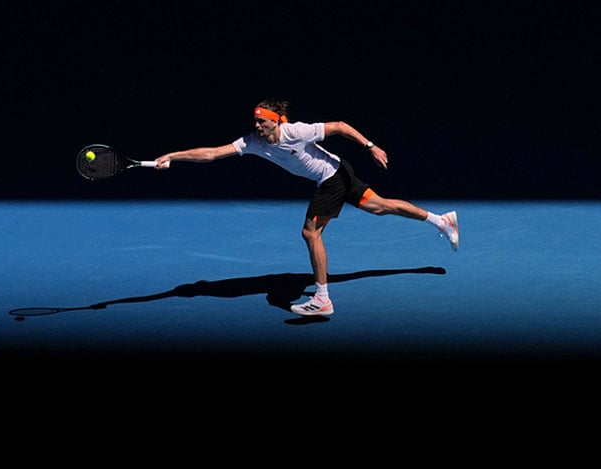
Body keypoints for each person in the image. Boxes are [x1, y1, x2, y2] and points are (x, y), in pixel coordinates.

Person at [153, 99, 459, 317]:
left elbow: (339, 126)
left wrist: (370, 146)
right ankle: (441, 221)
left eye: (262, 121)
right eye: (256, 121)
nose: (257, 125)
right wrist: (172, 155)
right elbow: (211, 154)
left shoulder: (295, 131)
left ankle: (322, 299)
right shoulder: (252, 142)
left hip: (333, 179)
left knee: (310, 233)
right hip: (339, 172)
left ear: (276, 121)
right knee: (380, 207)